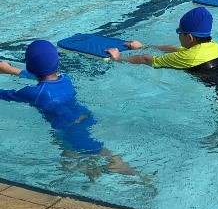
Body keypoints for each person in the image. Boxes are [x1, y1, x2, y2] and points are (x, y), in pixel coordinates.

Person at [0, 40, 136, 175]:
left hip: (67, 126)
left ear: (29, 65)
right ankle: (105, 167)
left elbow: (4, 94)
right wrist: (11, 70)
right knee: (81, 151)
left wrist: (10, 70)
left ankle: (114, 163)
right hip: (84, 116)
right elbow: (42, 76)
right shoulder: (65, 79)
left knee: (77, 159)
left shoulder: (33, 93)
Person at [106, 7, 218, 105]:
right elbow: (176, 49)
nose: (178, 37)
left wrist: (118, 58)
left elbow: (146, 59)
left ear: (190, 38)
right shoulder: (212, 45)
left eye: (180, 33)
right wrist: (143, 46)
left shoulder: (188, 57)